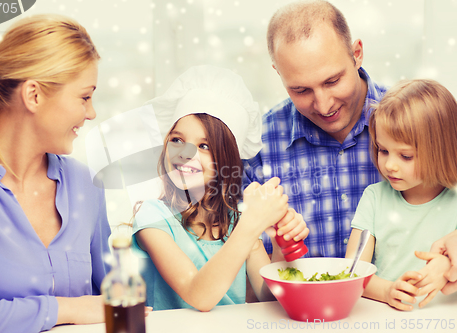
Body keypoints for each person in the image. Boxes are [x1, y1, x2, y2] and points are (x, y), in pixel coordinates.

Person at [0, 15, 111, 332]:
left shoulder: (87, 185)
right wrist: (65, 309)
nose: (91, 113)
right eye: (84, 97)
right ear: (34, 95)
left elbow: (112, 297)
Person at [131, 65, 309, 311]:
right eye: (177, 140)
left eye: (204, 146)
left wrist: (280, 245)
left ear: (226, 159)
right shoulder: (153, 218)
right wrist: (251, 224)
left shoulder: (237, 222)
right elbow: (198, 296)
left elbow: (269, 299)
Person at [244, 0, 388, 258]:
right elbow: (247, 280)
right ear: (278, 73)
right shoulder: (255, 146)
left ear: (357, 54)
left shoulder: (418, 121)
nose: (323, 106)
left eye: (332, 81)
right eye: (300, 90)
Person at [345, 79, 457, 311]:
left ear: (442, 150)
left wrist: (447, 267)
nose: (390, 166)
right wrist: (386, 291)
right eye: (383, 150)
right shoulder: (374, 198)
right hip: (387, 319)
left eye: (405, 156)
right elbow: (353, 271)